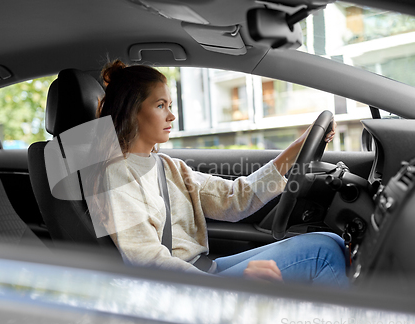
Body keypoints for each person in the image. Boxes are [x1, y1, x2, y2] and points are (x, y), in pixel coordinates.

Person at [94, 59, 348, 287]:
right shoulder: (116, 176)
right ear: (131, 111)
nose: (172, 115)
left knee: (330, 240)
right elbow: (148, 261)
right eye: (161, 105)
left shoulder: (168, 166)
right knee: (323, 255)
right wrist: (223, 289)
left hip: (201, 269)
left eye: (170, 105)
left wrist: (295, 149)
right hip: (179, 290)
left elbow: (234, 198)